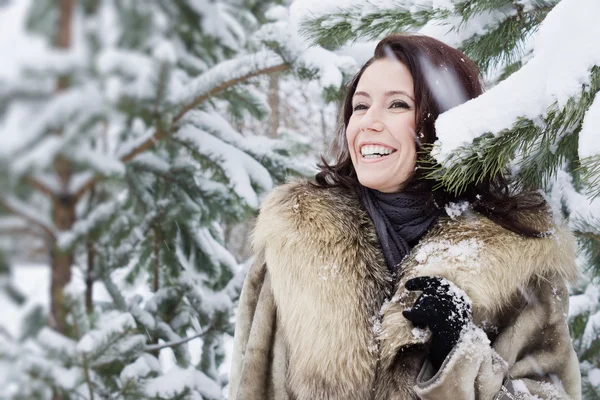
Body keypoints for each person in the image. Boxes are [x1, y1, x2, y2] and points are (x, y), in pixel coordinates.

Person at [228, 33, 581, 400]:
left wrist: (458, 355)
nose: (368, 122)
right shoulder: (294, 241)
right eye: (360, 107)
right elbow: (250, 387)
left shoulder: (519, 263)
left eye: (397, 105)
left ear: (448, 121)